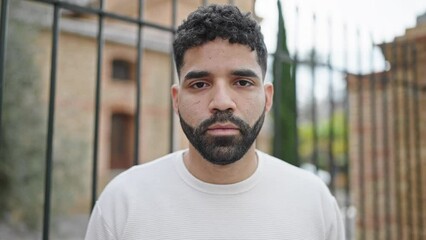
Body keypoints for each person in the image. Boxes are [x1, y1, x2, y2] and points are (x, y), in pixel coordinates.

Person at [85, 4, 345, 240]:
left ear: (267, 97)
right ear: (176, 99)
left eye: (242, 82)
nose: (222, 102)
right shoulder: (122, 203)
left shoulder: (314, 201)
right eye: (199, 84)